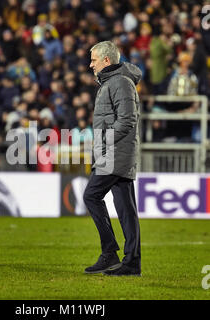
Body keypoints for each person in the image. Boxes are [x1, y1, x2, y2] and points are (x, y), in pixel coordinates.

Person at [83, 41, 141, 276]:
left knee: (91, 195)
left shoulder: (119, 82)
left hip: (116, 153)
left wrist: (104, 140)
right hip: (115, 152)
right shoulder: (114, 82)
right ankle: (131, 262)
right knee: (126, 209)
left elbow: (127, 120)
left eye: (94, 60)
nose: (91, 64)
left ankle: (110, 253)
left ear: (107, 60)